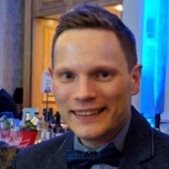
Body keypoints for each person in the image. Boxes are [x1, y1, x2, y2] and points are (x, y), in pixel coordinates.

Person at [12, 4, 169, 169]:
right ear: (52, 80)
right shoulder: (27, 162)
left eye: (103, 74)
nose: (83, 93)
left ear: (134, 79)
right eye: (68, 75)